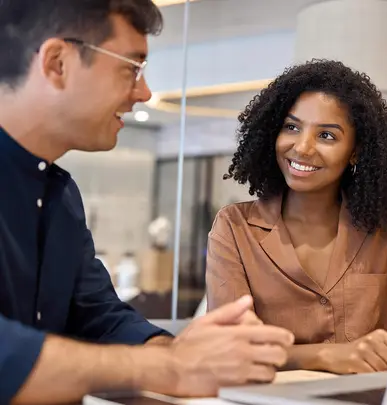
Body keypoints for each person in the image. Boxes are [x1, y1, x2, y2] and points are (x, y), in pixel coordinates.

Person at [0, 1, 294, 404]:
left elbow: (98, 316)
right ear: (57, 63)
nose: (145, 92)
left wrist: (179, 352)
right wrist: (169, 368)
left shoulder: (60, 196)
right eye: (131, 67)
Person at [206, 59, 387, 375]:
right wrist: (323, 356)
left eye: (326, 136)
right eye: (291, 127)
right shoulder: (234, 228)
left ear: (355, 151)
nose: (303, 147)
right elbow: (233, 348)